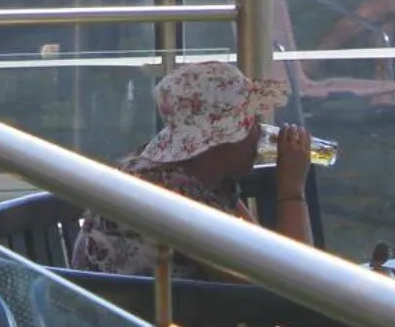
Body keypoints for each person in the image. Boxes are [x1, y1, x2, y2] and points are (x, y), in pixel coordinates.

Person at [72, 61, 314, 279]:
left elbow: (262, 250)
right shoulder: (179, 199)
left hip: (140, 317)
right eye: (250, 123)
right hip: (151, 324)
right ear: (219, 141)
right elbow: (290, 282)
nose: (260, 133)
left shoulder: (175, 176)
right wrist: (292, 191)